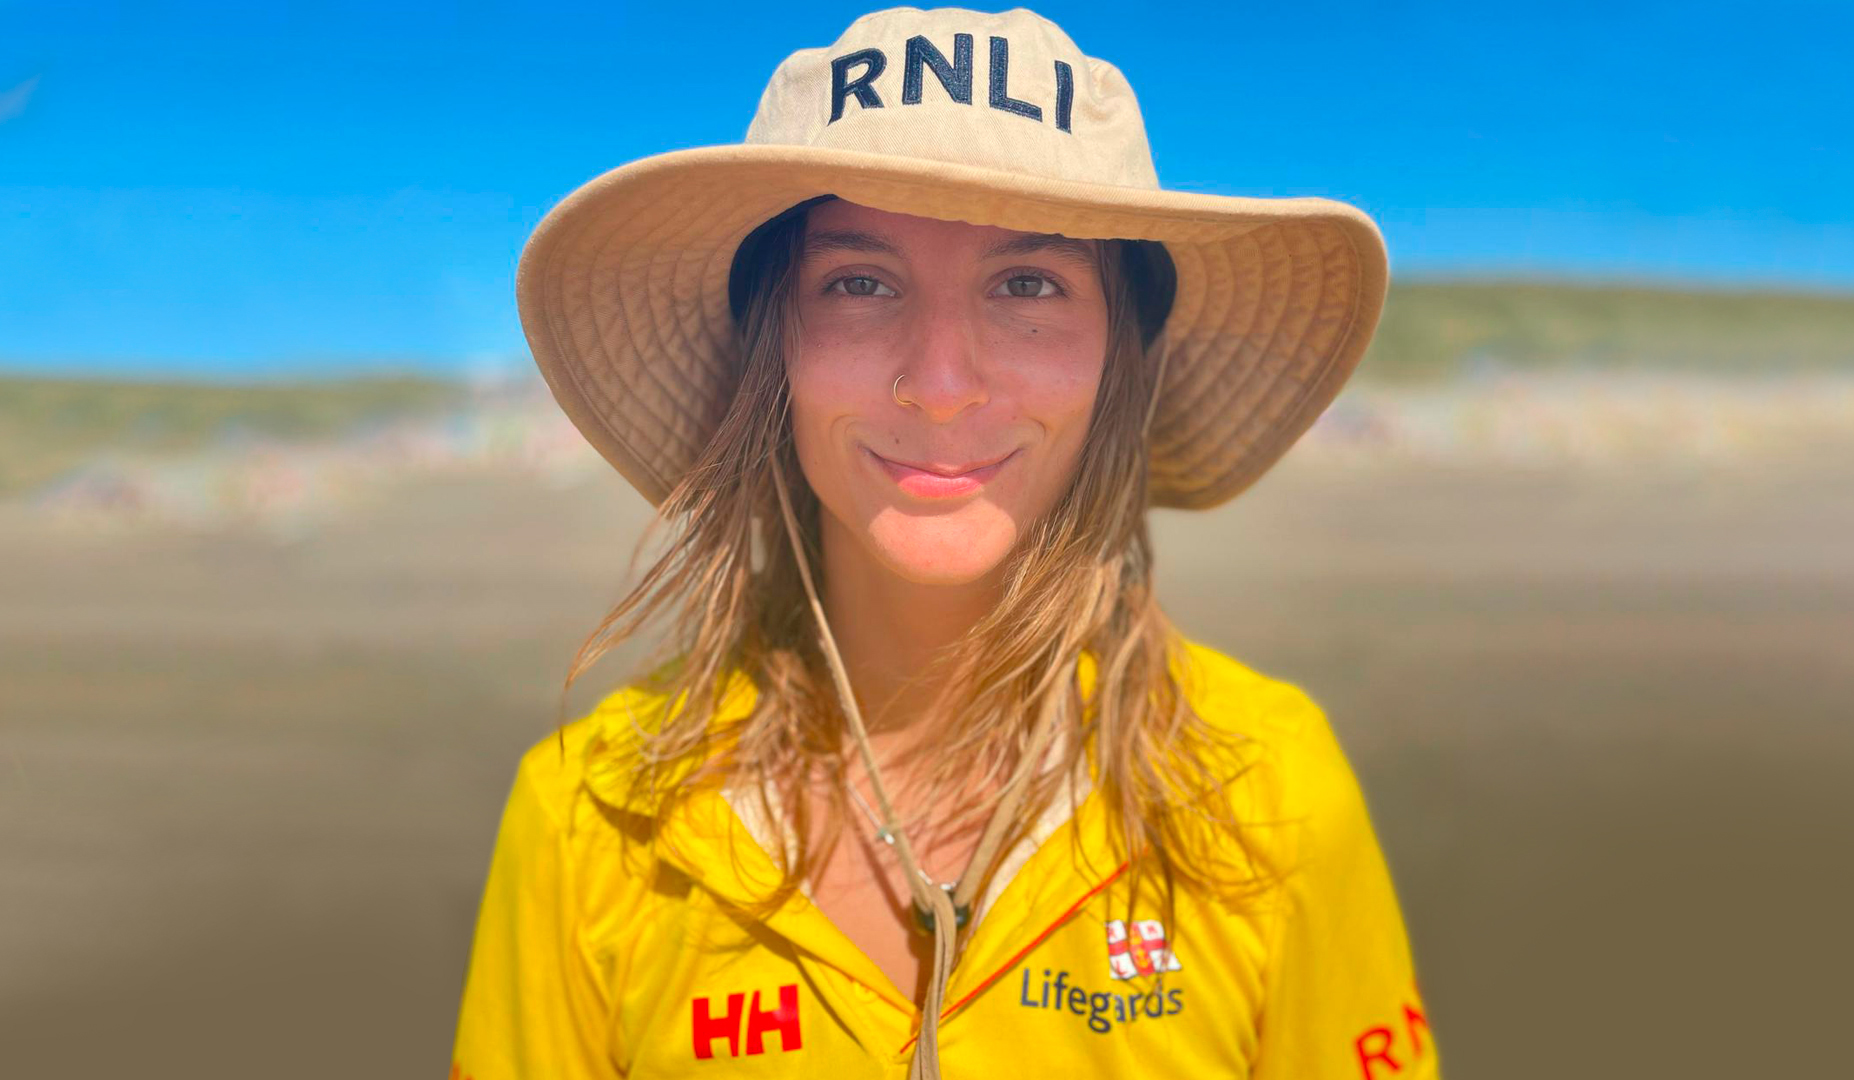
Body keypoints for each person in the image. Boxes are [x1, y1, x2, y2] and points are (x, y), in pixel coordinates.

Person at [451, 7, 1437, 1079]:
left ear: (1122, 361)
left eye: (1029, 286)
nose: (941, 381)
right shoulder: (592, 814)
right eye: (859, 283)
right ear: (767, 349)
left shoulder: (1268, 790)